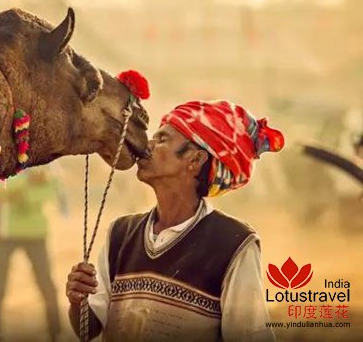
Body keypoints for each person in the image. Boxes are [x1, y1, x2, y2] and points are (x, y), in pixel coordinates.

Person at [66, 100, 284, 341]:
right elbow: (89, 329)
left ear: (195, 160)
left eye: (161, 139)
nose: (146, 145)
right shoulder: (120, 233)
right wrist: (78, 301)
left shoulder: (234, 243)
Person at [0, 166, 68, 342]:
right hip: (5, 232)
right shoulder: (4, 156)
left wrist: (17, 193)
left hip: (35, 233)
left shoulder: (45, 159)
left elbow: (52, 189)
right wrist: (28, 180)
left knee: (45, 282)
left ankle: (56, 332)